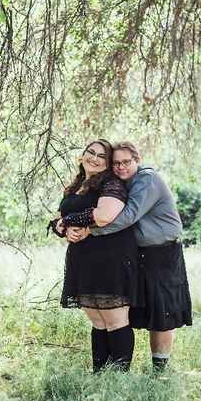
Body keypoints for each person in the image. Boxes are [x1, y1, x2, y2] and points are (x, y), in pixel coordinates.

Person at [65, 141, 192, 373]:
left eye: (126, 162)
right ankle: (109, 371)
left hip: (162, 253)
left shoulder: (146, 179)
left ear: (137, 160)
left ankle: (159, 373)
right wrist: (64, 225)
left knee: (162, 314)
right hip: (138, 253)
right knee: (131, 313)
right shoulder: (118, 182)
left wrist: (90, 230)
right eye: (116, 163)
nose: (121, 167)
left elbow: (128, 216)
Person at [48, 139, 143, 372]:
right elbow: (58, 218)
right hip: (83, 261)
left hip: (111, 259)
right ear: (82, 155)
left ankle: (119, 380)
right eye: (91, 152)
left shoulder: (111, 184)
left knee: (115, 321)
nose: (95, 158)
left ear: (108, 163)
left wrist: (68, 221)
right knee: (99, 322)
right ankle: (100, 376)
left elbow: (104, 216)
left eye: (102, 156)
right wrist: (62, 227)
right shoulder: (77, 185)